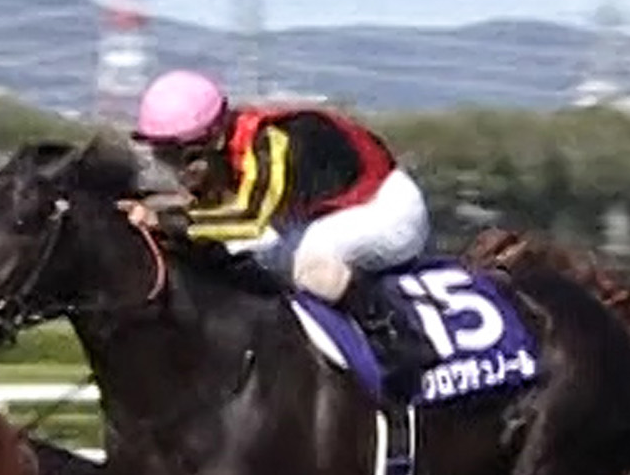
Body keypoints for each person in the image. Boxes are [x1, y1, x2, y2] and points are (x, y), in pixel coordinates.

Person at [120, 69, 433, 309]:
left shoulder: (270, 145)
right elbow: (202, 212)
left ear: (216, 140)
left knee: (307, 261)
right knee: (252, 258)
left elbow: (248, 221)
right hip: (329, 215)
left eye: (184, 159)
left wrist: (163, 221)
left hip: (387, 211)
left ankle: (392, 330)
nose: (178, 173)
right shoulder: (223, 149)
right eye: (164, 157)